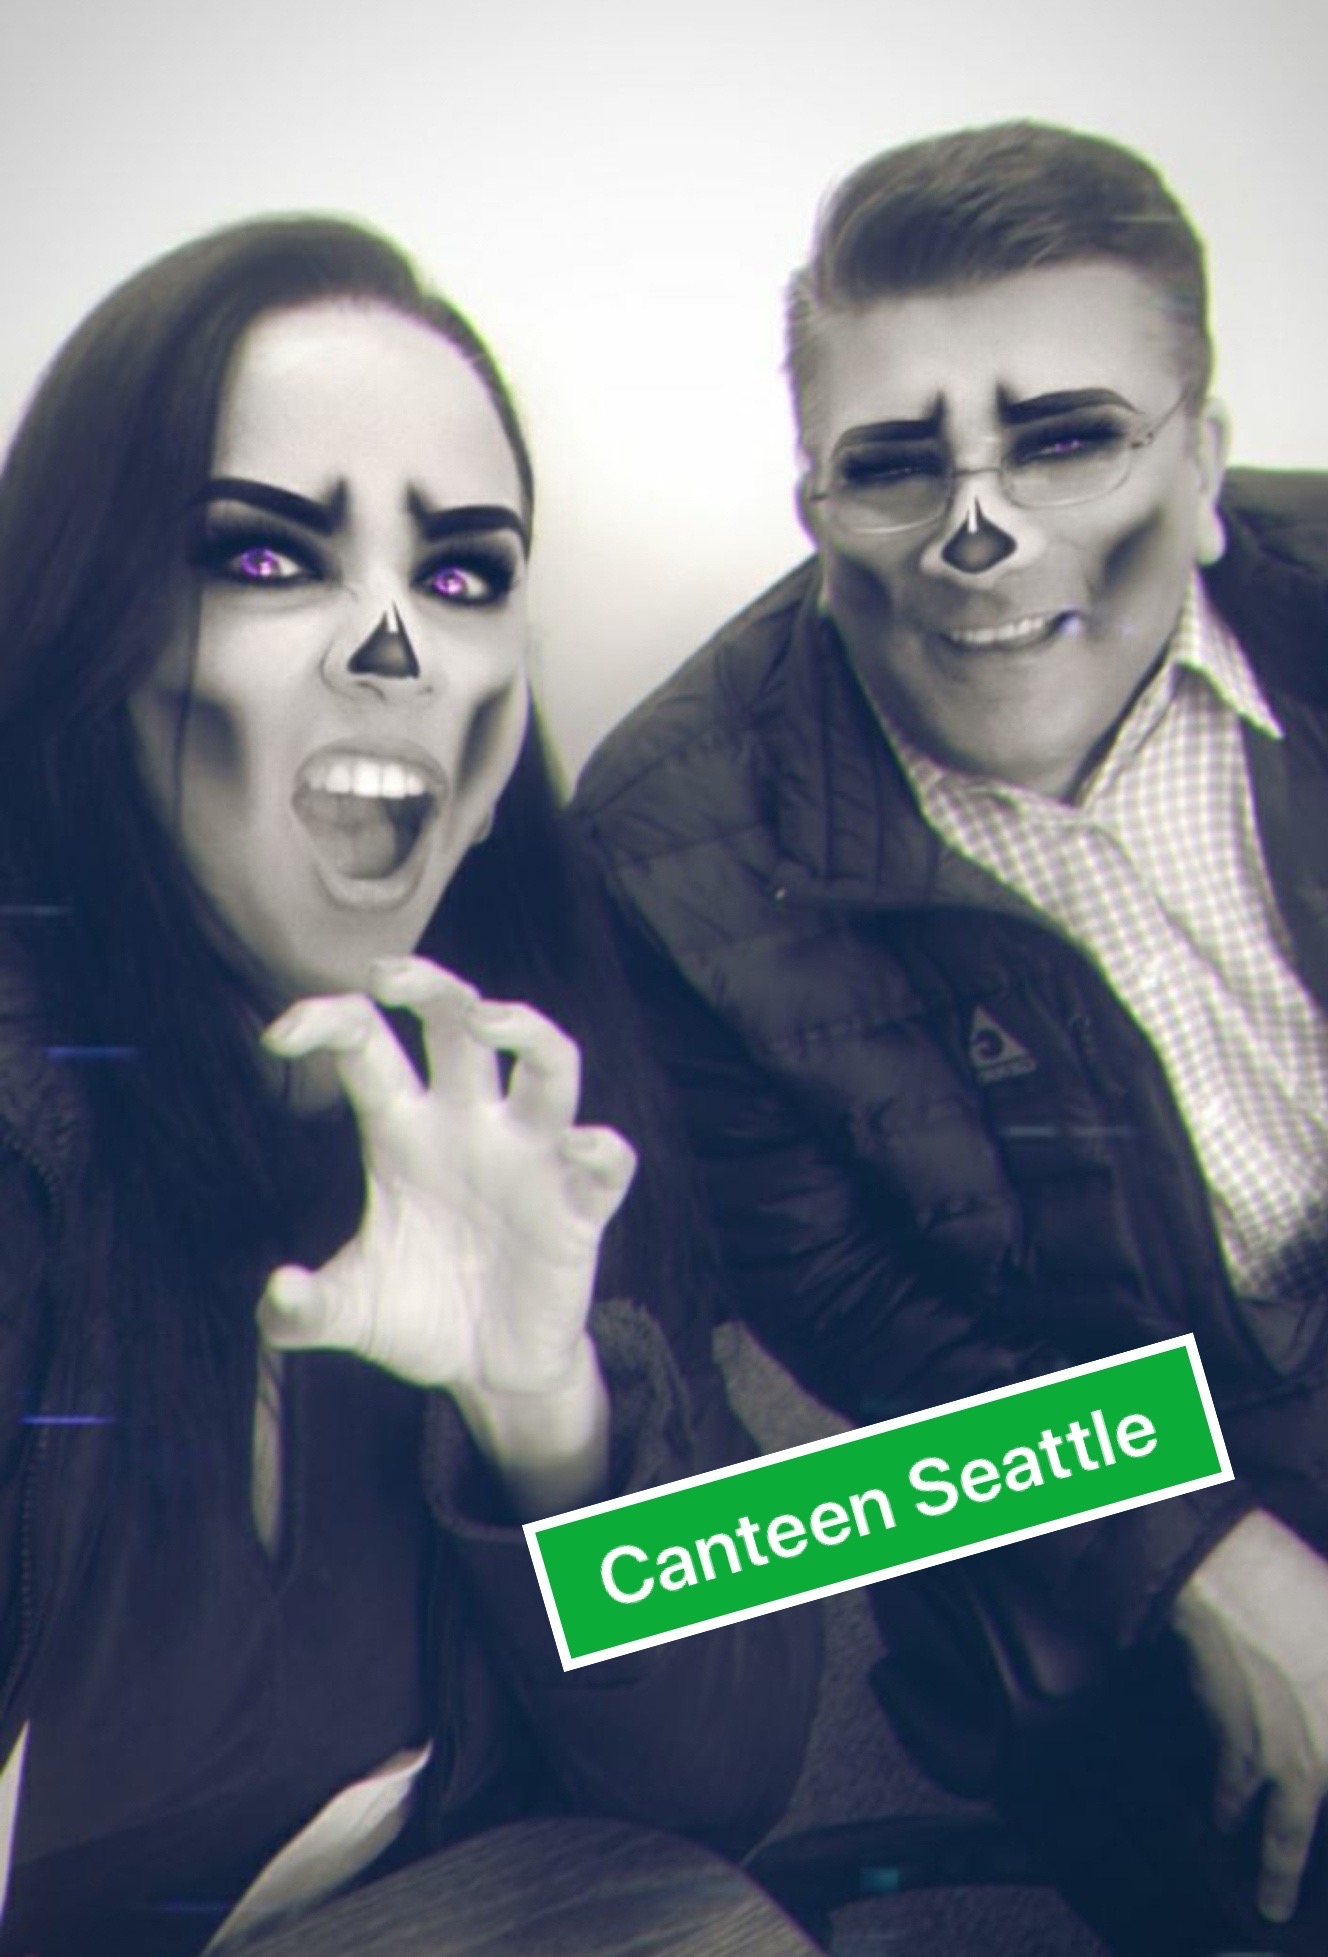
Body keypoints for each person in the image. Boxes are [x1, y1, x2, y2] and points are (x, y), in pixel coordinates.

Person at [0, 214, 819, 1957]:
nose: (395, 643)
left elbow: (723, 1782)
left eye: (461, 575)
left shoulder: (539, 1089)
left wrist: (551, 1412)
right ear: (83, 632)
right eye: (265, 554)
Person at [573, 122, 1328, 1954]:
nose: (975, 532)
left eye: (1065, 437)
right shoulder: (674, 836)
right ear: (813, 500)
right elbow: (843, 1306)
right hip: (1144, 1455)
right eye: (894, 463)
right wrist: (1196, 1550)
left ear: (1204, 464)